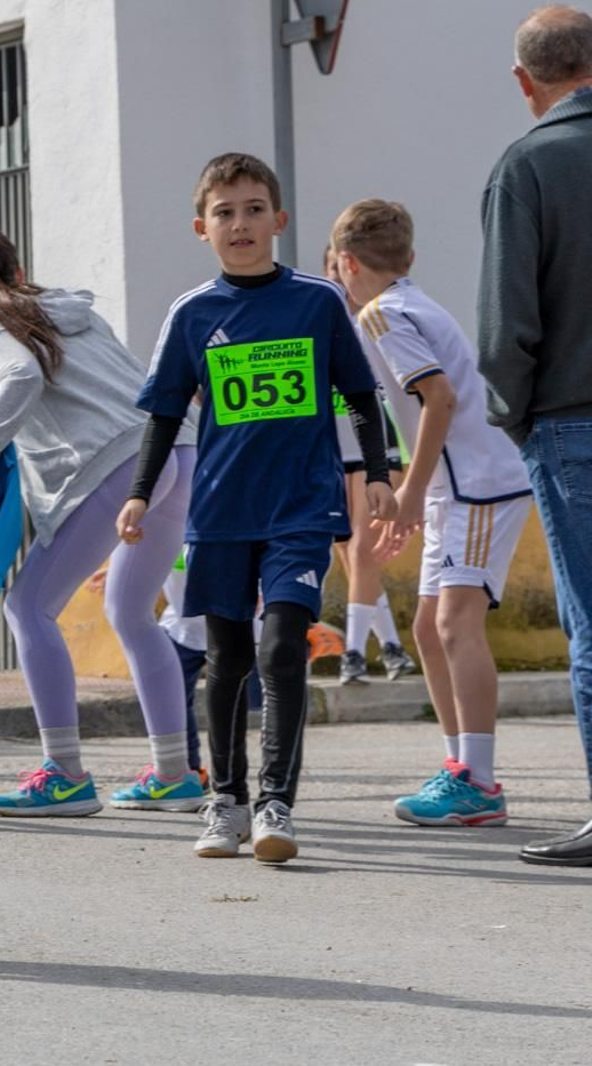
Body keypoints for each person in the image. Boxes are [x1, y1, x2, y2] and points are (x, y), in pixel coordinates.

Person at [122, 152, 392, 864]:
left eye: (251, 209)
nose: (239, 223)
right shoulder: (192, 314)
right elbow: (162, 416)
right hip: (219, 512)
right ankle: (227, 801)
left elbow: (361, 395)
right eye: (224, 212)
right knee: (227, 657)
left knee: (281, 648)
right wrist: (141, 494)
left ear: (279, 218)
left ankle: (276, 801)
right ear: (200, 227)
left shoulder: (317, 301)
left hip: (301, 506)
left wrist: (378, 473)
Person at [0, 227, 200, 818]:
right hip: (178, 452)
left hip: (114, 462)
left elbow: (21, 381)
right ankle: (175, 773)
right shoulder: (69, 311)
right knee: (132, 612)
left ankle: (63, 771)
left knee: (27, 607)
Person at [333, 199, 534, 828]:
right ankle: (458, 769)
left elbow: (438, 400)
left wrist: (413, 493)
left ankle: (478, 781)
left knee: (453, 624)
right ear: (408, 258)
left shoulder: (382, 314)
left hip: (478, 483)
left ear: (344, 264)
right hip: (462, 485)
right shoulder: (410, 301)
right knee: (427, 628)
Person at [476, 4, 592, 865]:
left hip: (572, 420)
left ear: (525, 82)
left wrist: (516, 416)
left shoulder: (529, 163)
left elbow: (505, 326)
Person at [322, 246, 416, 685]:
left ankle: (354, 655)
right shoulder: (320, 326)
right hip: (335, 452)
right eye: (330, 271)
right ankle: (393, 648)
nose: (338, 280)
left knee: (364, 550)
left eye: (342, 269)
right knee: (352, 557)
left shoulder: (376, 321)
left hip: (377, 448)